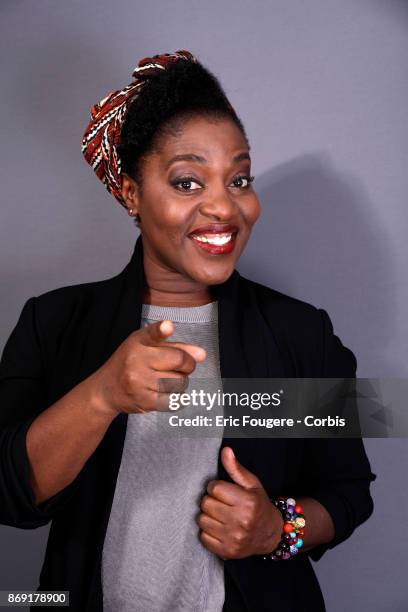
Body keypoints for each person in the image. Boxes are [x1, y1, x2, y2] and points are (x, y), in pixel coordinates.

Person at [0, 50, 376, 611]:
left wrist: (279, 528)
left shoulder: (304, 334)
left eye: (239, 177)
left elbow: (350, 494)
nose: (224, 206)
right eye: (187, 182)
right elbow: (11, 496)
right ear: (131, 192)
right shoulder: (52, 322)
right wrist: (103, 394)